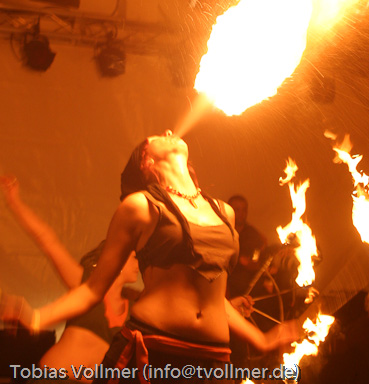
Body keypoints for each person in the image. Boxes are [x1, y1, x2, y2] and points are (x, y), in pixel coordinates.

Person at [0, 131, 296, 382]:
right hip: (153, 350)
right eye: (157, 136)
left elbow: (214, 296)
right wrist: (36, 317)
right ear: (147, 161)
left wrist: (261, 338)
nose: (169, 132)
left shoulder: (224, 212)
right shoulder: (140, 206)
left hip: (212, 358)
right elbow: (91, 290)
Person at [0, 175, 139, 379]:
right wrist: (15, 203)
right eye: (134, 258)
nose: (139, 264)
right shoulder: (84, 284)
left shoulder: (135, 308)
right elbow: (47, 240)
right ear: (117, 259)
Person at [227, 194, 267, 299]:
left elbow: (256, 258)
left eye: (244, 210)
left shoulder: (252, 234)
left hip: (246, 282)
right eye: (237, 210)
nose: (241, 214)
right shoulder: (223, 231)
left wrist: (251, 263)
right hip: (225, 280)